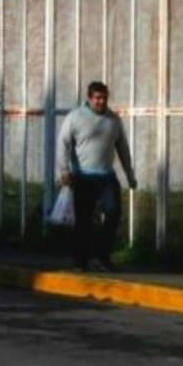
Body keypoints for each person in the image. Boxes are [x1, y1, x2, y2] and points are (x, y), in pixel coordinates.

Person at [58, 80, 137, 273]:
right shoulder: (75, 118)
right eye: (97, 98)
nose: (101, 102)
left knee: (113, 212)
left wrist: (129, 174)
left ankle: (102, 256)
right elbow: (63, 144)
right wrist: (64, 170)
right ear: (89, 98)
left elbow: (123, 148)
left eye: (104, 98)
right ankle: (80, 261)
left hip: (106, 177)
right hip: (84, 177)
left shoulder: (113, 120)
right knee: (84, 220)